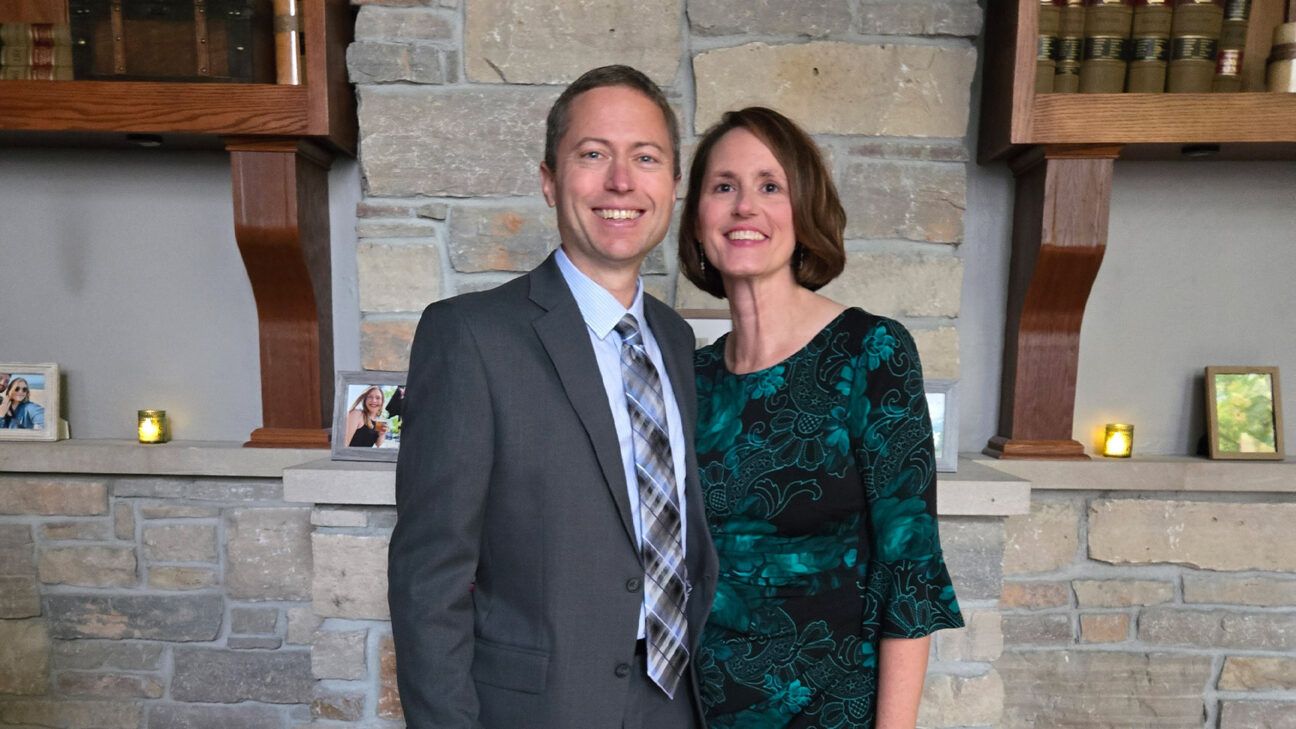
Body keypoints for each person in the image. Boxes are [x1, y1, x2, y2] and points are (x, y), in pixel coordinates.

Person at [388, 65, 719, 729]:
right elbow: (431, 577)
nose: (621, 181)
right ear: (549, 179)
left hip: (678, 703)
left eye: (645, 158)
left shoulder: (679, 343)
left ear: (673, 186)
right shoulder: (470, 338)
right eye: (593, 154)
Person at [677, 107, 964, 729]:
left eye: (770, 186)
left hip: (830, 710)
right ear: (698, 221)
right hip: (692, 708)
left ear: (803, 213)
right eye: (723, 186)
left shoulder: (872, 352)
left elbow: (908, 566)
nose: (744, 206)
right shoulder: (689, 378)